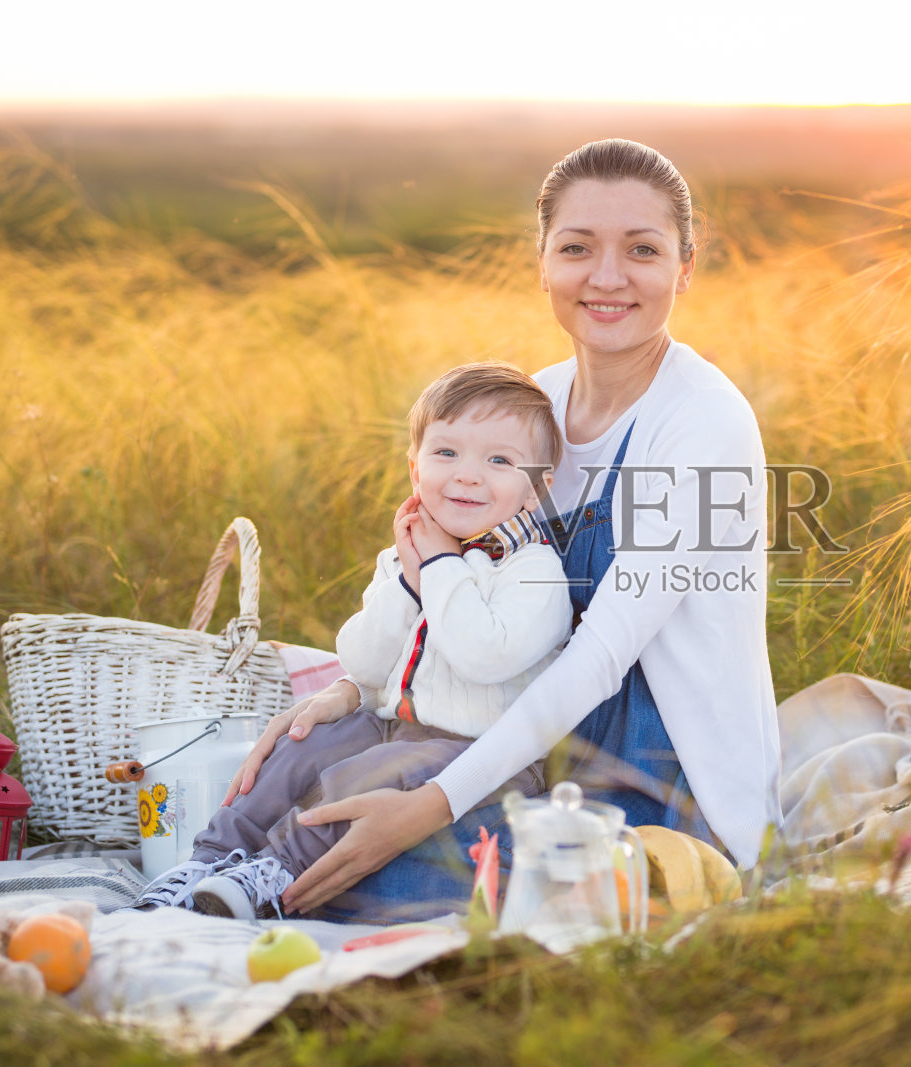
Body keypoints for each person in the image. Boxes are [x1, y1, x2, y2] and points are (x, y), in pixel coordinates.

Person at [233, 138, 781, 922]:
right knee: (296, 798)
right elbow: (451, 594)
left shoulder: (704, 423)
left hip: (665, 792)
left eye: (642, 249)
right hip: (526, 765)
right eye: (577, 248)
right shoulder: (530, 412)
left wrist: (429, 805)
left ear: (685, 268)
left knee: (366, 866)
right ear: (543, 263)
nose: (607, 277)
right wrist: (348, 694)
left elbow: (598, 658)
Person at [131, 362, 573, 918]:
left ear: (537, 489)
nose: (467, 475)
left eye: (500, 461)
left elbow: (483, 657)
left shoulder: (534, 572)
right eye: (446, 452)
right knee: (304, 748)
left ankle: (275, 874)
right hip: (395, 725)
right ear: (414, 469)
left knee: (363, 776)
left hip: (482, 755)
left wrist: (440, 566)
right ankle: (210, 859)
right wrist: (408, 582)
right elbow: (362, 662)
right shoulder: (406, 558)